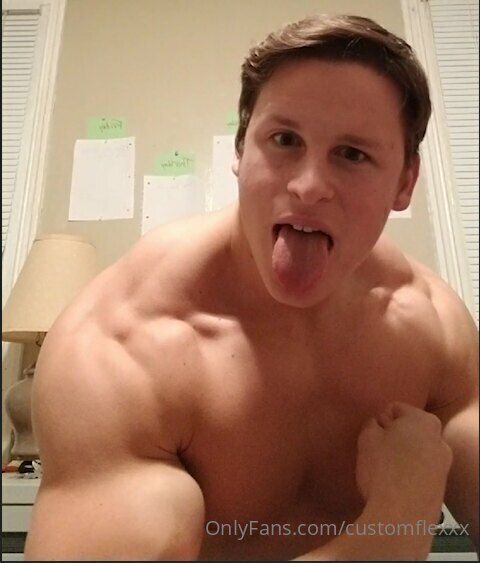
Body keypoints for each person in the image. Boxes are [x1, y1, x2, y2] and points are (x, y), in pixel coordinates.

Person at [25, 14, 478, 561]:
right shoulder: (120, 346)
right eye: (284, 140)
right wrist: (398, 518)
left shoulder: (433, 334)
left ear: (405, 182)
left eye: (353, 154)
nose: (308, 186)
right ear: (240, 151)